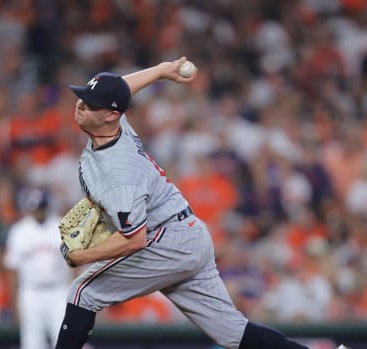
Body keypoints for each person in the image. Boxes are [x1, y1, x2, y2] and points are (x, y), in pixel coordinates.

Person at [54, 57, 342, 349]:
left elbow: (134, 238)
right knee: (234, 333)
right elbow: (120, 89)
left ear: (109, 116)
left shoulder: (120, 173)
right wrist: (161, 71)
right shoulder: (117, 124)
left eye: (89, 104)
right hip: (187, 234)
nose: (79, 105)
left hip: (165, 241)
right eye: (82, 99)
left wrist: (83, 257)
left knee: (82, 292)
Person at [4, 188, 72, 349]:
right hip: (30, 292)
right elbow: (12, 270)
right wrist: (14, 303)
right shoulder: (19, 231)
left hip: (58, 290)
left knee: (65, 341)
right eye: (35, 208)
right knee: (32, 344)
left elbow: (74, 263)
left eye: (41, 208)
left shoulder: (62, 226)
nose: (38, 212)